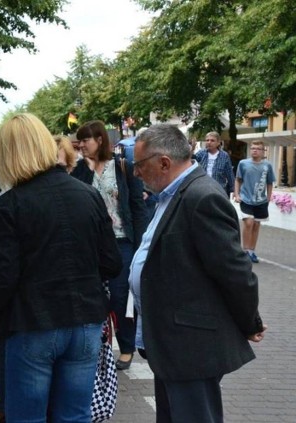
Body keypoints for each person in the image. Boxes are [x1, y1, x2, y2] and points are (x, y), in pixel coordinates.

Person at [0, 113, 122, 422]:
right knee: (74, 417)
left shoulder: (7, 205)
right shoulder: (89, 195)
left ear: (8, 155)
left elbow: (4, 277)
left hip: (34, 324)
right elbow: (111, 263)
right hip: (85, 323)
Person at [129, 124, 266, 423]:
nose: (136, 173)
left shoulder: (201, 197)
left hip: (190, 344)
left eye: (139, 165)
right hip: (172, 340)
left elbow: (234, 271)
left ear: (163, 162)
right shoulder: (173, 195)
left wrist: (249, 322)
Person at [73, 120, 149, 370]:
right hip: (89, 244)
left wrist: (140, 245)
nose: (81, 145)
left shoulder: (123, 167)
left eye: (86, 140)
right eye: (79, 141)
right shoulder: (79, 171)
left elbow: (137, 207)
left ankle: (126, 348)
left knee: (120, 296)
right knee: (92, 297)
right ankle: (95, 347)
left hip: (121, 241)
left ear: (100, 140)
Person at [234, 140, 275, 263]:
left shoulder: (267, 166)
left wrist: (268, 197)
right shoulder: (243, 163)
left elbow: (269, 182)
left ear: (263, 151)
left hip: (260, 201)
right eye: (252, 148)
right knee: (249, 223)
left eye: (257, 148)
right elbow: (237, 179)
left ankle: (252, 251)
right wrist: (237, 194)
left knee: (256, 225)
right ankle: (245, 250)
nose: (254, 150)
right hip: (246, 199)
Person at [195, 131, 236, 196]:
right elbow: (190, 165)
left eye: (212, 140)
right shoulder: (201, 153)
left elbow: (229, 174)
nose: (209, 142)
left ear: (218, 143)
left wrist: (234, 191)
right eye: (207, 140)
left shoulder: (224, 155)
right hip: (202, 189)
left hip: (218, 189)